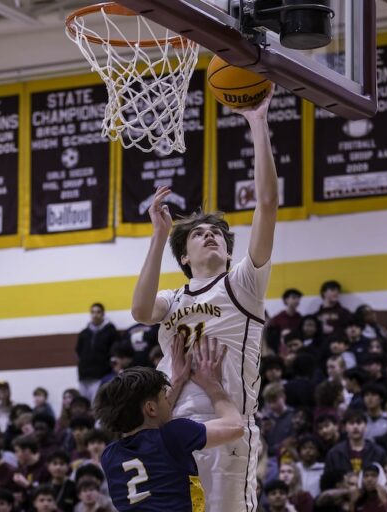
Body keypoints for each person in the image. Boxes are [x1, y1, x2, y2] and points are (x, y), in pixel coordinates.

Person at [130, 90, 277, 511]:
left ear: (230, 252)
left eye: (217, 233)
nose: (209, 235)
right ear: (183, 256)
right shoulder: (170, 298)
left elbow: (267, 206)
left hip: (227, 425)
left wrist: (257, 124)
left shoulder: (243, 284)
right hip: (172, 428)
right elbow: (140, 311)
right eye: (198, 233)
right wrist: (159, 237)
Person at [95, 335, 244, 511]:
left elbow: (151, 423)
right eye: (163, 395)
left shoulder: (109, 457)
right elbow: (235, 426)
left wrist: (177, 381)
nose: (168, 398)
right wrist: (213, 386)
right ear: (151, 408)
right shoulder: (174, 435)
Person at [76, 303, 120, 402]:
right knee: (84, 405)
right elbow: (78, 351)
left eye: (98, 312)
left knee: (97, 405)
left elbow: (115, 353)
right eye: (93, 312)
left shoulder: (111, 331)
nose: (95, 315)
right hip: (84, 375)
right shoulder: (84, 333)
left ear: (103, 314)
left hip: (101, 376)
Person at [325, 409, 386, 476]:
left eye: (359, 423)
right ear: (345, 427)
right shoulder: (335, 453)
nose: (355, 427)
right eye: (351, 423)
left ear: (365, 426)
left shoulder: (378, 452)